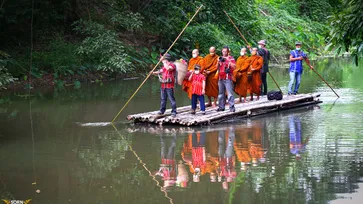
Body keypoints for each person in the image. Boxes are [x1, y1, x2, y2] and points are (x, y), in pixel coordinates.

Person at [217, 46, 236, 112]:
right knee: (221, 93)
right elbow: (216, 68)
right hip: (220, 77)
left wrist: (227, 61)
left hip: (228, 77)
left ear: (228, 52)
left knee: (230, 93)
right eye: (223, 51)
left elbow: (234, 67)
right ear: (221, 51)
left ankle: (232, 107)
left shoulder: (231, 58)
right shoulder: (220, 58)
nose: (224, 52)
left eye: (225, 51)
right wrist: (218, 62)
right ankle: (221, 107)